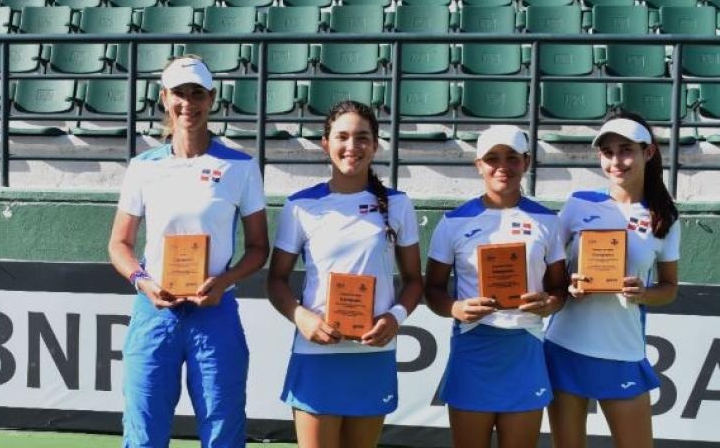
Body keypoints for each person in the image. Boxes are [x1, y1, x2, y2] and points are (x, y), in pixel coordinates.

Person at [107, 55, 270, 448]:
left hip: (214, 311)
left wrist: (225, 281)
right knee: (143, 432)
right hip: (154, 313)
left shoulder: (241, 167)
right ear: (164, 98)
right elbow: (119, 244)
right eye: (179, 93)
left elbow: (259, 247)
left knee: (222, 430)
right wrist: (143, 281)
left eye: (197, 93)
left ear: (212, 99)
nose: (188, 103)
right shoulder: (143, 166)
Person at [266, 101, 424, 448]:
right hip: (316, 352)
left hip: (372, 353)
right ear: (325, 144)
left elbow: (414, 281)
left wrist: (395, 318)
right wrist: (301, 316)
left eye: (362, 138)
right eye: (342, 137)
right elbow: (276, 280)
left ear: (376, 145)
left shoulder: (398, 204)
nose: (352, 147)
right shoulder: (301, 205)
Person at [423, 126, 568, 448]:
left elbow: (560, 289)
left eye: (512, 158)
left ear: (526, 162)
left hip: (526, 346)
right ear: (478, 164)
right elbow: (432, 289)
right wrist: (455, 308)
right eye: (492, 158)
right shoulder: (453, 222)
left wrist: (549, 303)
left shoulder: (548, 221)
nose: (502, 166)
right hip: (474, 346)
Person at [544, 112, 680, 448]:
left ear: (647, 152)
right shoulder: (577, 204)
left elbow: (669, 289)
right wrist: (567, 286)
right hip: (564, 346)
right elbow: (549, 271)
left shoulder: (664, 217)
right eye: (607, 152)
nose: (616, 161)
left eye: (625, 150)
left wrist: (644, 294)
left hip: (623, 352)